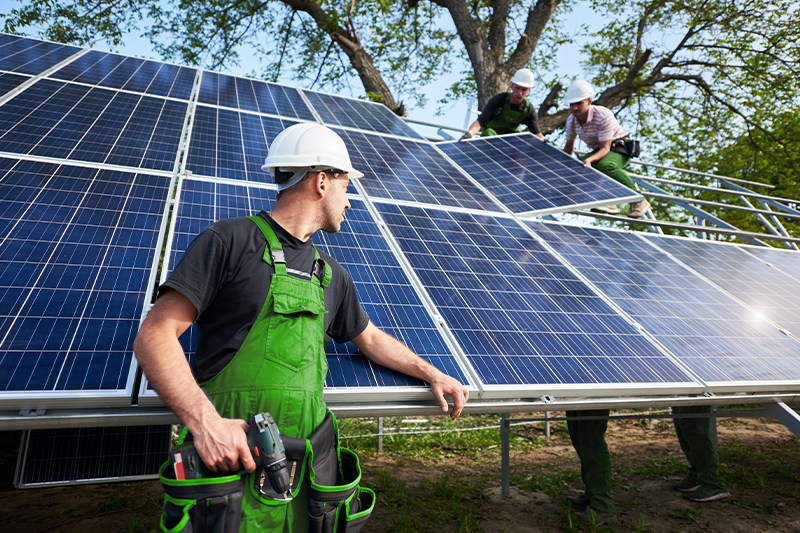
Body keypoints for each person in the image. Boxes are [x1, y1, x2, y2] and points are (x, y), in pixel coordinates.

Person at [133, 122, 470, 531]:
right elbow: (155, 334)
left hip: (307, 477)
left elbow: (371, 338)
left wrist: (432, 373)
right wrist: (205, 424)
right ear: (322, 182)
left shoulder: (331, 274)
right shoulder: (230, 241)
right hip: (231, 467)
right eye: (348, 187)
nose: (350, 202)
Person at [562, 80, 651, 218]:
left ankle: (638, 200)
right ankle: (609, 202)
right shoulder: (571, 121)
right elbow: (568, 149)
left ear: (589, 101)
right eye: (572, 104)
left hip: (619, 148)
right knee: (580, 167)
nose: (574, 108)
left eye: (579, 103)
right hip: (600, 150)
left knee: (605, 165)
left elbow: (605, 148)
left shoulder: (602, 115)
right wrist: (559, 165)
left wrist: (590, 159)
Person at [462, 68, 546, 140]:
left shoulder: (529, 110)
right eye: (517, 88)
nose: (519, 93)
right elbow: (480, 122)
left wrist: (546, 142)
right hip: (492, 136)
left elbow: (537, 134)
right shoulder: (499, 100)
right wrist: (468, 135)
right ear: (511, 86)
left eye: (524, 89)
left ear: (529, 91)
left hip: (512, 141)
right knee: (489, 133)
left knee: (520, 142)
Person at [565, 409, 615, 524]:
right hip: (575, 392)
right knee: (578, 433)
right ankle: (592, 495)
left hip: (595, 392)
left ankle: (603, 505)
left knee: (591, 437)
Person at [672, 406, 731, 502]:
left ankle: (712, 482)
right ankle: (699, 474)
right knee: (681, 422)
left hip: (698, 392)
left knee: (693, 425)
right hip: (684, 392)